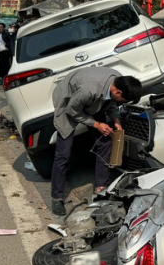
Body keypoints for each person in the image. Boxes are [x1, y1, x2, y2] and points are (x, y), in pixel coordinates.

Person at [50, 67, 142, 215]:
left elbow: (111, 103)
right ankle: (57, 198)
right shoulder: (89, 90)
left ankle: (101, 187)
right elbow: (72, 110)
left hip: (93, 100)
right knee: (63, 153)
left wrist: (116, 120)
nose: (122, 103)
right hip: (68, 102)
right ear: (117, 92)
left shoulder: (118, 80)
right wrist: (97, 124)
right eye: (123, 100)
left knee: (105, 142)